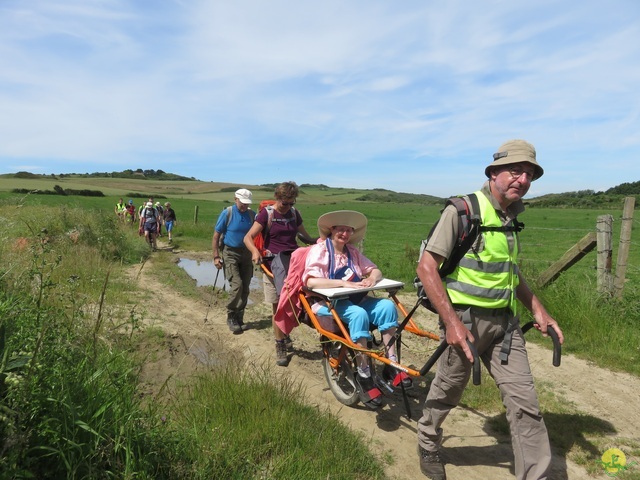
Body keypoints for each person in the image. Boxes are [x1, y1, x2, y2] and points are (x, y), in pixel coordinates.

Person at [415, 139, 565, 480]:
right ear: (494, 172)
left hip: (506, 327)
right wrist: (451, 323)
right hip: (465, 323)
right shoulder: (463, 210)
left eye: (529, 174)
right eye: (515, 171)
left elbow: (510, 272)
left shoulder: (511, 217)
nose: (523, 180)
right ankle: (427, 441)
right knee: (448, 390)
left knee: (525, 404)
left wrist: (538, 310)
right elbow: (426, 267)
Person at [303, 210, 411, 408]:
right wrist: (344, 285)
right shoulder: (320, 251)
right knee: (359, 314)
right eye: (340, 230)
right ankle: (364, 374)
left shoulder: (352, 252)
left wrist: (371, 278)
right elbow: (311, 281)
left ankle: (391, 363)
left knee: (387, 306)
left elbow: (375, 269)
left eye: (348, 230)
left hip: (355, 299)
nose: (344, 234)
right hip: (330, 303)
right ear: (331, 230)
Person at [243, 181, 316, 366]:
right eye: (285, 203)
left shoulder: (294, 214)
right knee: (278, 305)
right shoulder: (266, 214)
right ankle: (280, 344)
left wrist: (320, 240)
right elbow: (248, 237)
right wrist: (255, 252)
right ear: (278, 198)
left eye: (292, 203)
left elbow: (304, 237)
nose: (288, 207)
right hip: (272, 265)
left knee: (298, 300)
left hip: (292, 262)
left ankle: (285, 331)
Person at [212, 189, 255, 334]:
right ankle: (231, 315)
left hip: (247, 254)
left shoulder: (251, 215)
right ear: (235, 199)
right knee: (237, 285)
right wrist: (216, 256)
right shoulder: (228, 213)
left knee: (246, 286)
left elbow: (257, 234)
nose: (244, 206)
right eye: (242, 203)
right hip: (230, 252)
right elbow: (216, 235)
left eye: (246, 204)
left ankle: (239, 317)